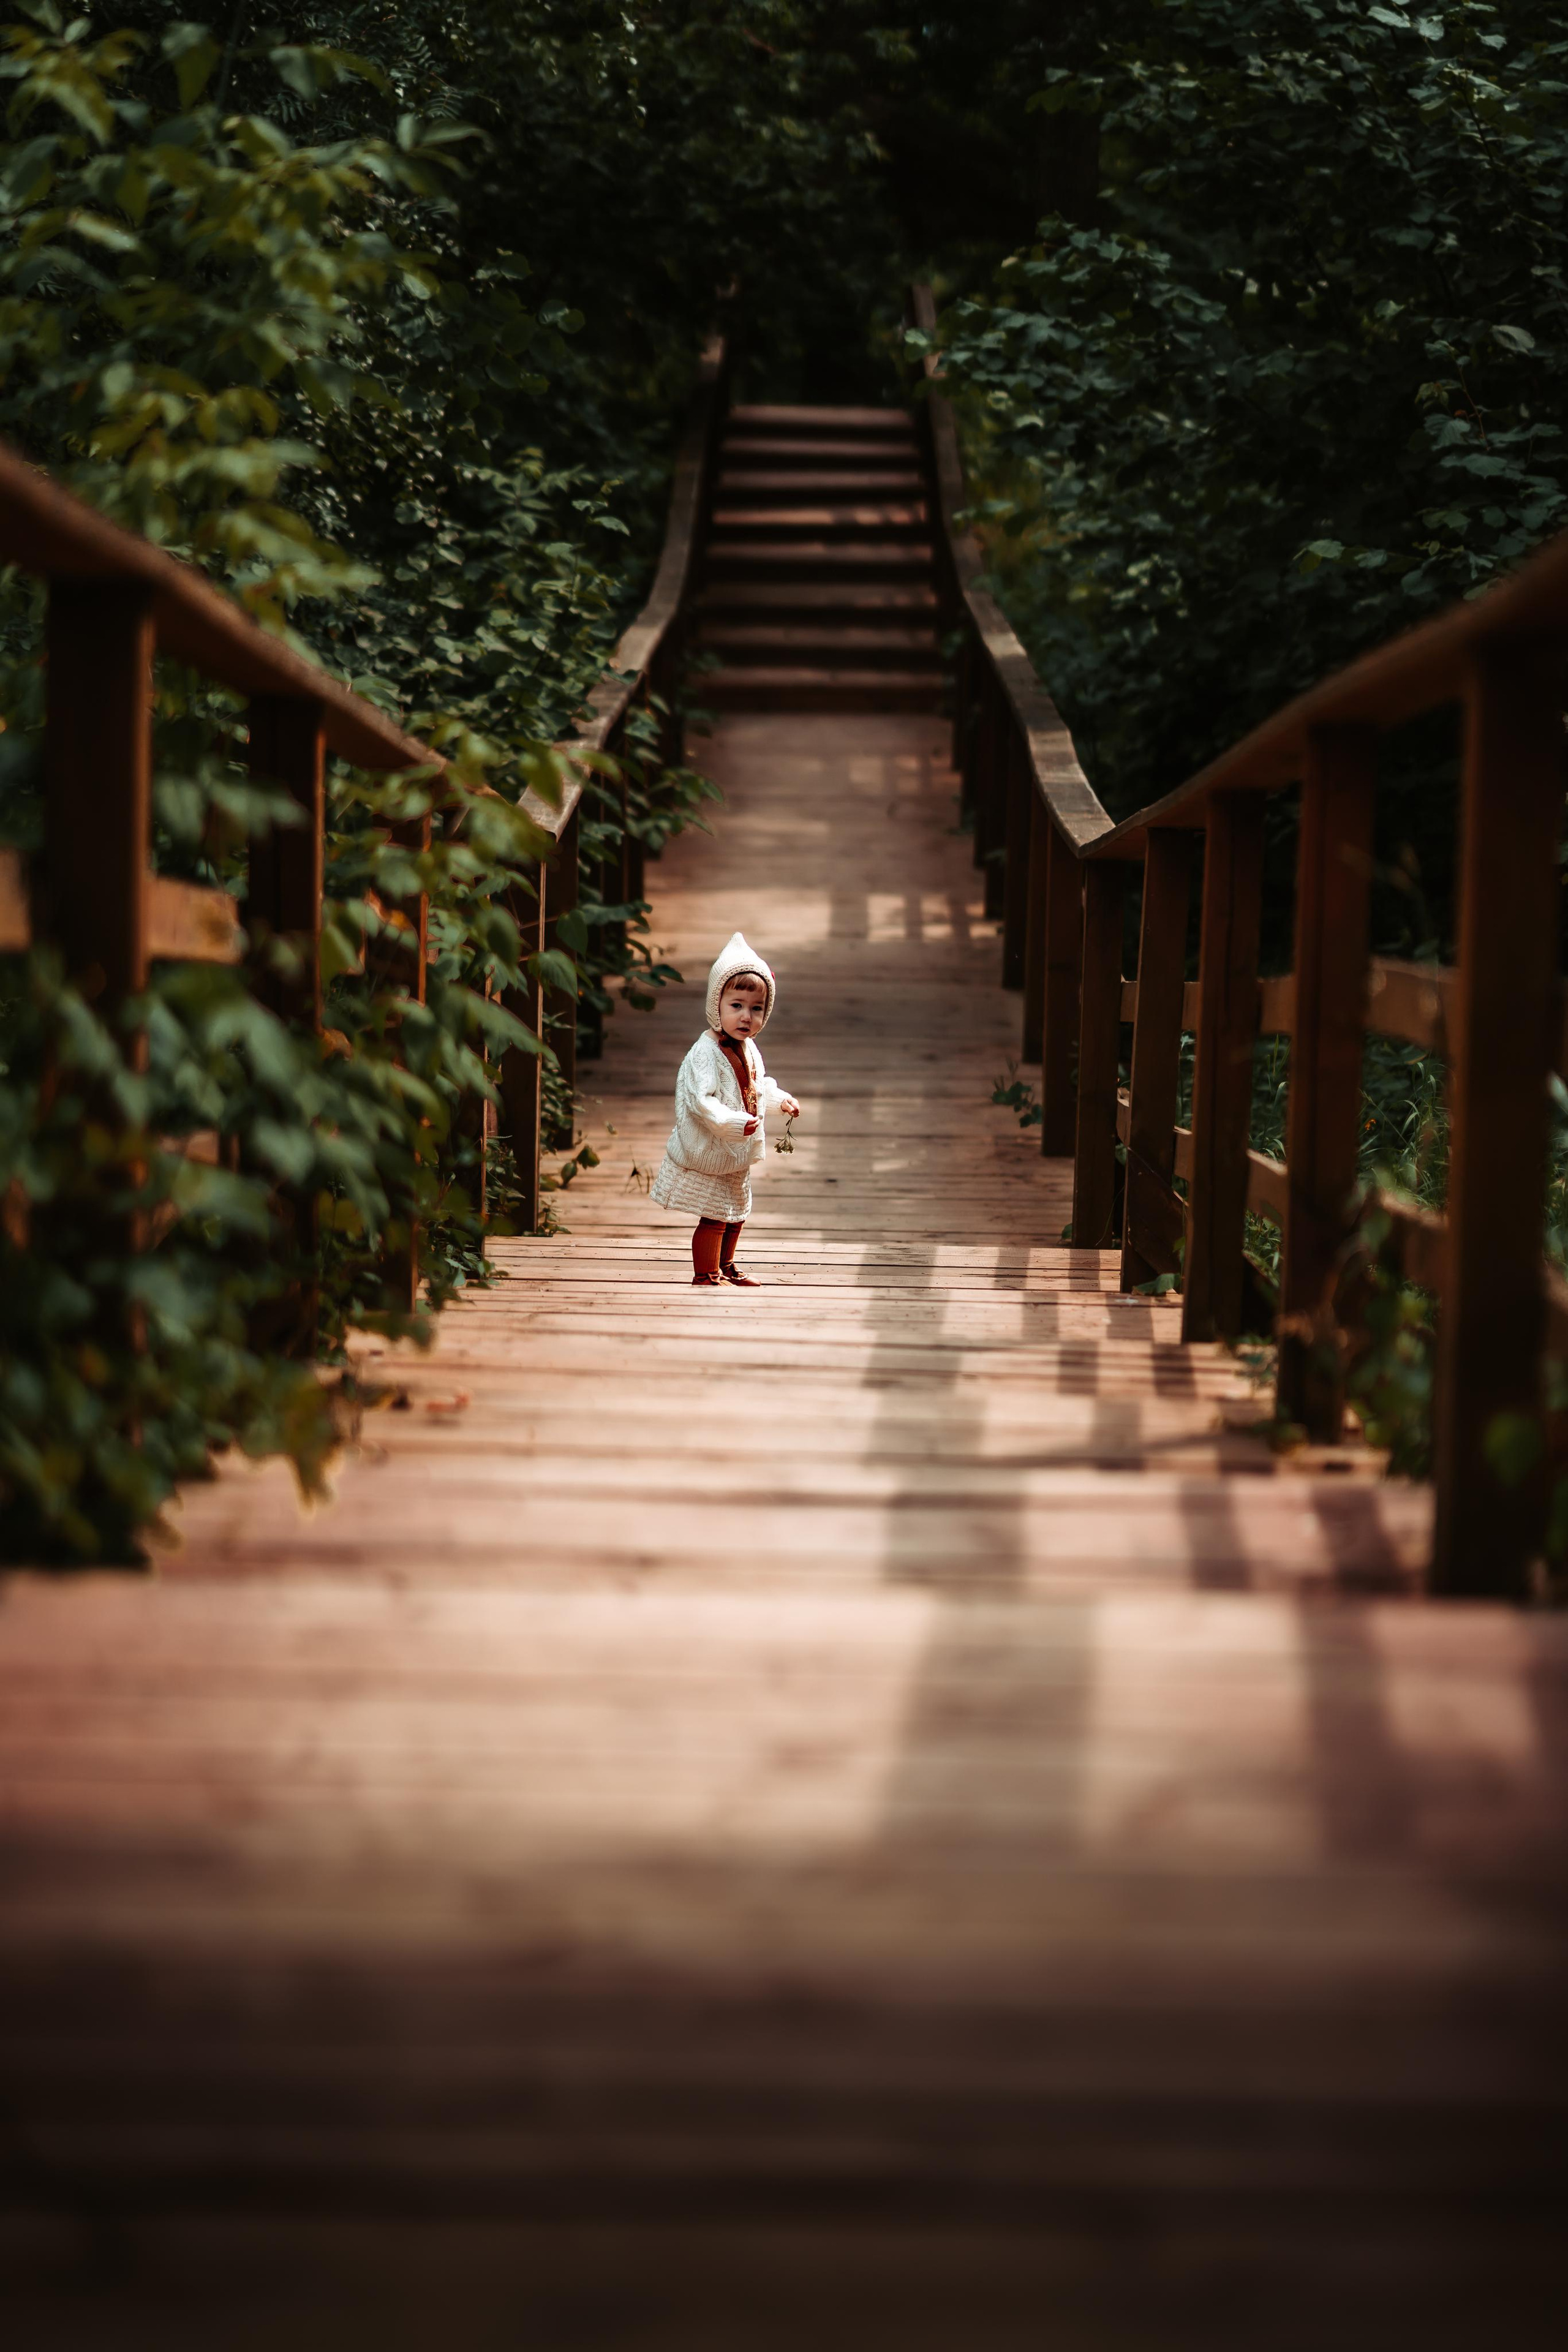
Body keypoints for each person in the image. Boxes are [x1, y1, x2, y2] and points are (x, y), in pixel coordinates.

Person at [649, 931, 802, 1286]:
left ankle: (727, 1263)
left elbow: (756, 1085)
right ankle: (706, 1272)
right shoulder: (704, 1054)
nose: (746, 1017)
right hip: (713, 1148)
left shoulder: (748, 1049)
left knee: (737, 1213)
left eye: (757, 1008)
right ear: (716, 1005)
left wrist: (781, 1100)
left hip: (736, 1150)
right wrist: (734, 1122)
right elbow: (702, 1103)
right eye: (737, 1006)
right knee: (715, 1215)